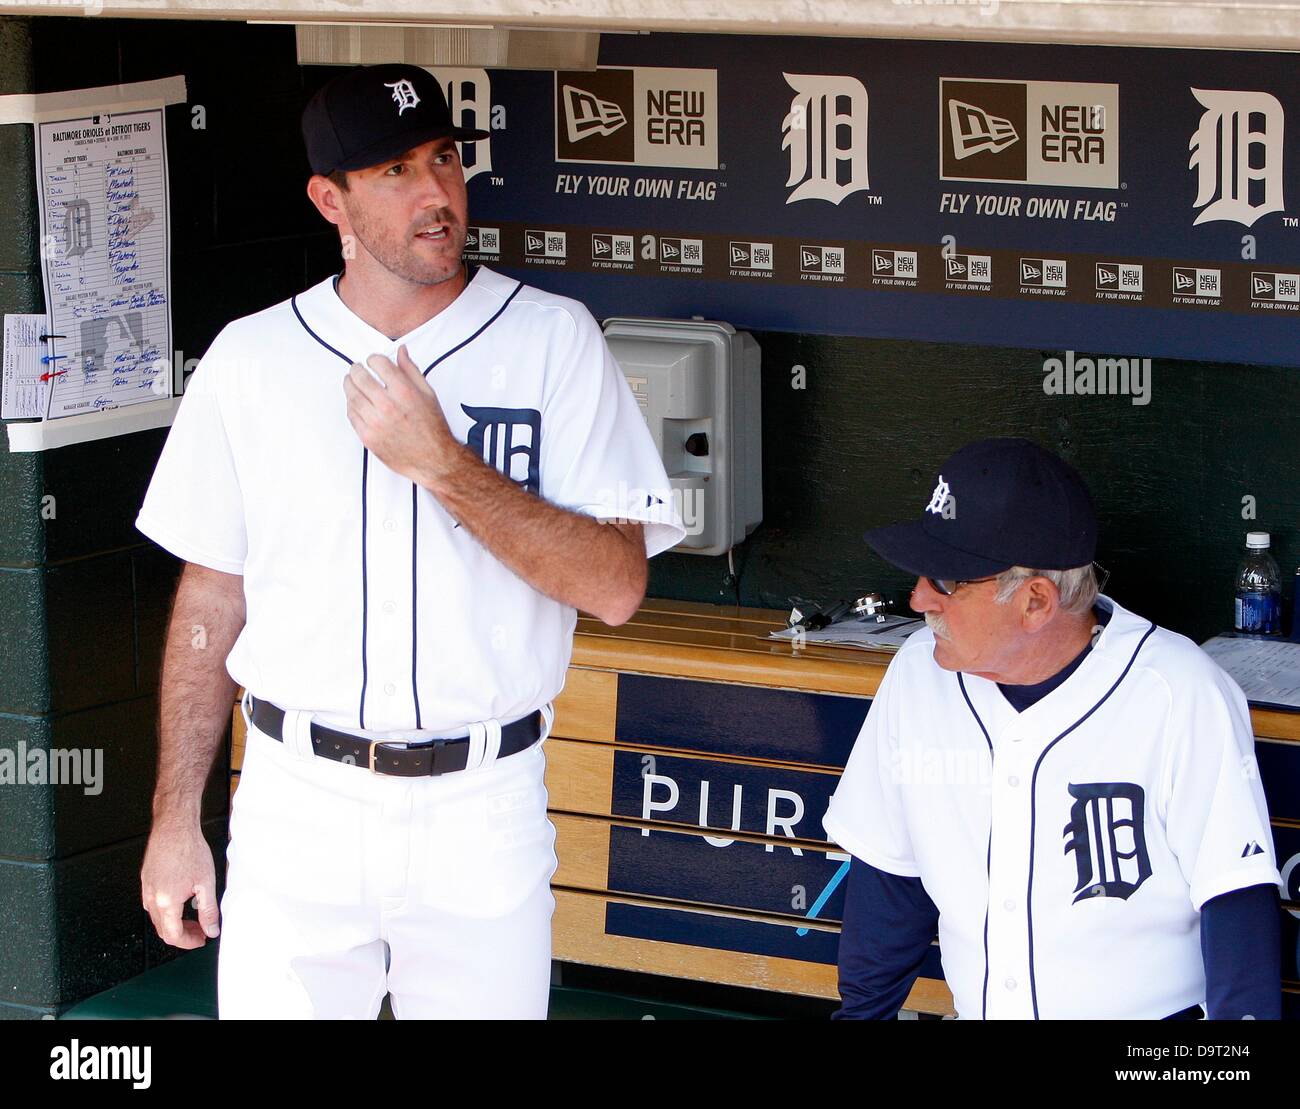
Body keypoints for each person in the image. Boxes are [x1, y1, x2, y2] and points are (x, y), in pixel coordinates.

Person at [135, 63, 684, 1019]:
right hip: (296, 799)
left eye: (443, 159)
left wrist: (445, 465)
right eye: (393, 171)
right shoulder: (252, 358)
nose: (435, 195)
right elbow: (211, 600)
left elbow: (618, 583)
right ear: (328, 199)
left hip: (482, 801)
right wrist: (176, 818)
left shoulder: (553, 340)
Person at [823, 437, 1282, 1020]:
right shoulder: (918, 675)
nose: (918, 600)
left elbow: (1236, 904)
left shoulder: (1178, 691)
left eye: (945, 581)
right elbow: (891, 881)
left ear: (1036, 602)